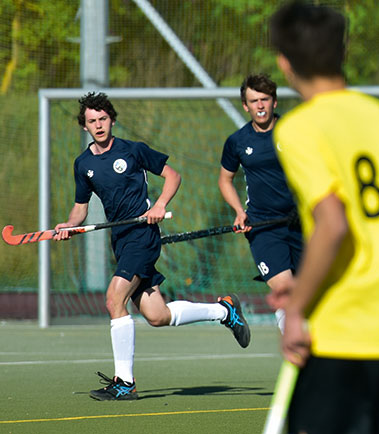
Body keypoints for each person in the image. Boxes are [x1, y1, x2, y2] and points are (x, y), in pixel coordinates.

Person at [268, 2, 379, 432]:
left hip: (340, 335)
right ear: (344, 52)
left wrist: (298, 306)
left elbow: (333, 223)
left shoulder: (301, 128)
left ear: (285, 64)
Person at [54, 92, 251, 401]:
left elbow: (173, 175)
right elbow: (80, 209)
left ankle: (125, 383)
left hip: (142, 236)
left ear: (112, 120)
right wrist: (68, 226)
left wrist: (158, 205)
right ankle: (223, 310)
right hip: (120, 241)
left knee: (113, 299)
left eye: (103, 119)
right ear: (85, 127)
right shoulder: (83, 165)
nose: (98, 125)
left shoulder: (133, 151)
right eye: (92, 121)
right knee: (157, 315)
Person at [218, 73, 303, 332]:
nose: (260, 106)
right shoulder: (237, 142)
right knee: (286, 291)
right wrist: (238, 212)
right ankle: (300, 360)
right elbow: (225, 180)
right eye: (254, 101)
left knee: (307, 297)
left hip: (301, 223)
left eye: (265, 99)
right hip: (263, 227)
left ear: (274, 102)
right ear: (245, 105)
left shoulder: (295, 130)